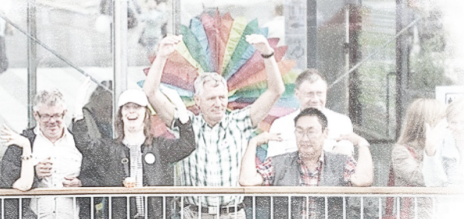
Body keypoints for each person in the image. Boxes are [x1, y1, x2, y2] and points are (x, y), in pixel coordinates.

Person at [143, 34, 285, 218]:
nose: (218, 103)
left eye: (222, 97)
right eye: (211, 98)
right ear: (197, 100)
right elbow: (150, 92)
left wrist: (267, 53)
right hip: (194, 213)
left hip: (232, 213)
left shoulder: (239, 122)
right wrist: (161, 56)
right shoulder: (186, 124)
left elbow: (276, 91)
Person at [78, 88, 195, 218]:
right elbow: (85, 144)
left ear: (146, 114)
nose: (131, 111)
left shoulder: (160, 147)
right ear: (121, 115)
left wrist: (180, 108)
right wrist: (78, 112)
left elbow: (187, 145)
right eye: (127, 107)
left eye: (137, 107)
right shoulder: (109, 148)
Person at [239, 108, 373, 218]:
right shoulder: (278, 163)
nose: (304, 138)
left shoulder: (341, 162)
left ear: (325, 133)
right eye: (299, 131)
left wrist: (362, 144)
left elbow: (363, 180)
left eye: (311, 131)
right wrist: (253, 143)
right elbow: (247, 180)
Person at [1, 88, 83, 219]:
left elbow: (97, 175)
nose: (52, 121)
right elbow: (6, 178)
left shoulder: (78, 141)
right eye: (46, 116)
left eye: (56, 115)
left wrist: (80, 183)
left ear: (64, 113)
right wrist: (34, 173)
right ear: (36, 115)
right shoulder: (23, 142)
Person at [268, 69, 354, 157]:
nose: (315, 100)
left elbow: (344, 160)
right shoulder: (280, 125)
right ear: (297, 94)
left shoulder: (342, 122)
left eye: (319, 93)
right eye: (309, 94)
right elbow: (275, 163)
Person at [390, 98, 447, 218]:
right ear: (428, 122)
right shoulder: (401, 151)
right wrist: (430, 151)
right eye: (441, 118)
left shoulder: (446, 146)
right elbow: (422, 178)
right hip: (416, 214)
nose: (446, 123)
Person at [422, 98, 464, 187]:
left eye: (463, 122)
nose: (459, 128)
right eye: (454, 122)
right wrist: (430, 149)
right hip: (447, 200)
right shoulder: (441, 144)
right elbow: (433, 184)